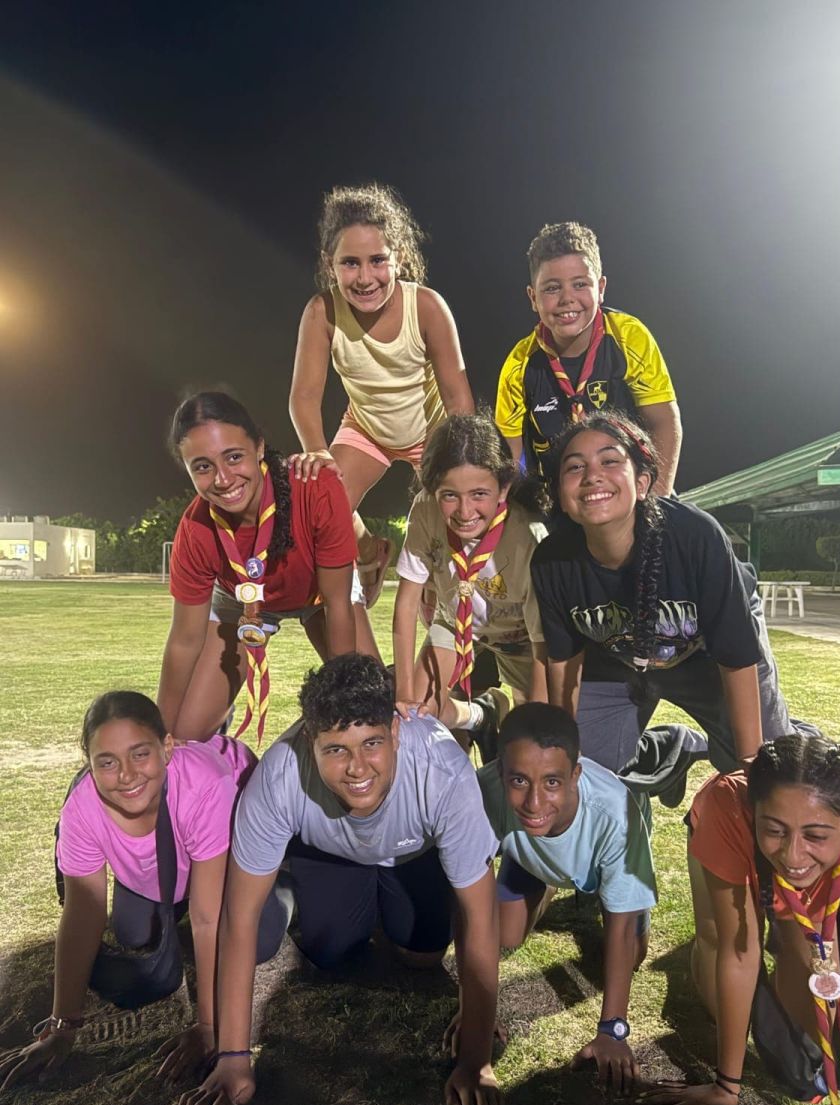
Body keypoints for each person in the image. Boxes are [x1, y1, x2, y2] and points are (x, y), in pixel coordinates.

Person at [175, 654, 504, 1105]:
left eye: (372, 743)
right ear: (310, 741)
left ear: (396, 732)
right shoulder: (280, 775)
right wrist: (233, 1058)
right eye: (335, 749)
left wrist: (475, 1058)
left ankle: (384, 897)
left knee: (423, 956)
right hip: (334, 853)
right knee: (330, 951)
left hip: (412, 854)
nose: (357, 767)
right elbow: (238, 918)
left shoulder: (443, 771)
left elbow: (480, 915)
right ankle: (294, 882)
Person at [0, 692, 289, 1095]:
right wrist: (62, 1026)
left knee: (258, 940)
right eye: (107, 762)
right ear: (89, 763)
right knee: (134, 934)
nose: (127, 775)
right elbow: (82, 914)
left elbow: (208, 918)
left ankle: (282, 885)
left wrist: (208, 1026)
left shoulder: (206, 784)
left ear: (167, 747)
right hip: (165, 868)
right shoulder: (81, 808)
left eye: (140, 754)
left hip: (222, 852)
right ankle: (164, 889)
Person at [641, 734, 840, 1105]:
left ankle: (787, 929)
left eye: (816, 835)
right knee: (717, 939)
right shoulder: (730, 808)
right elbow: (737, 950)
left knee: (806, 1057)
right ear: (755, 812)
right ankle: (744, 933)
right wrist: (727, 1086)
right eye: (775, 829)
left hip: (816, 883)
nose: (793, 855)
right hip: (728, 840)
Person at [530, 409, 792, 774]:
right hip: (618, 658)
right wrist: (563, 750)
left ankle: (798, 744)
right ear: (560, 493)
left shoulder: (695, 535)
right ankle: (667, 751)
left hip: (705, 652)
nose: (592, 475)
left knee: (771, 763)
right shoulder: (552, 561)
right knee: (587, 769)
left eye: (609, 461)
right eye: (574, 467)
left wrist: (751, 763)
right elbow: (564, 661)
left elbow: (735, 655)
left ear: (642, 483)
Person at [288, 182, 475, 605]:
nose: (365, 277)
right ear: (330, 264)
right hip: (367, 430)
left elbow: (457, 397)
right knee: (317, 505)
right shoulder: (321, 312)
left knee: (446, 545)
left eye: (377, 260)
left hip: (432, 435)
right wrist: (317, 453)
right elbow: (304, 396)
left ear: (399, 257)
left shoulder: (425, 306)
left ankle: (439, 605)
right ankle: (370, 552)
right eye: (350, 263)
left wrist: (461, 461)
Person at [159, 390, 365, 744]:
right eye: (203, 467)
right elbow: (184, 640)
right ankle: (219, 729)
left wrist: (347, 696)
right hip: (242, 600)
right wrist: (160, 731)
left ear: (258, 447)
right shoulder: (196, 528)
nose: (223, 479)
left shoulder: (315, 487)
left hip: (320, 593)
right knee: (184, 735)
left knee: (364, 707)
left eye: (234, 457)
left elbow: (338, 606)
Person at [473, 703, 657, 1094]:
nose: (534, 802)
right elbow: (468, 898)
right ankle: (549, 881)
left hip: (608, 857)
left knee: (632, 955)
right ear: (500, 770)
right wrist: (474, 1009)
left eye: (552, 782)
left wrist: (612, 1031)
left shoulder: (616, 815)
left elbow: (620, 929)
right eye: (518, 780)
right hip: (531, 853)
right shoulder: (481, 791)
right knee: (506, 934)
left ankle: (597, 888)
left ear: (576, 774)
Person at [393, 413, 548, 742]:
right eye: (450, 495)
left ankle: (505, 712)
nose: (465, 512)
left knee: (531, 728)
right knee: (420, 712)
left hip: (520, 635)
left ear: (503, 488)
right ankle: (483, 714)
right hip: (455, 621)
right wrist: (404, 693)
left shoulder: (529, 536)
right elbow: (406, 604)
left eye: (479, 494)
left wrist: (539, 710)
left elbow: (542, 641)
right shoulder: (425, 509)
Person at [495, 221, 681, 494]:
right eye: (552, 288)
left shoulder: (629, 337)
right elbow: (508, 459)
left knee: (698, 520)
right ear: (533, 297)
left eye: (580, 284)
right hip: (558, 502)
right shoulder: (519, 365)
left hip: (631, 494)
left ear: (601, 288)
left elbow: (663, 422)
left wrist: (655, 500)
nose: (567, 299)